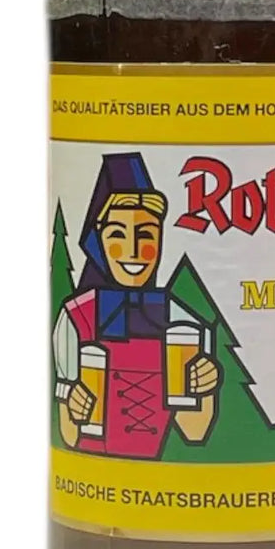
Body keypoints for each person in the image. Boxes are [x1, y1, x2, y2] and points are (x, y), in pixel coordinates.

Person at [53, 152, 220, 457]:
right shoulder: (75, 318)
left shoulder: (183, 324)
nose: (133, 250)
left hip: (159, 471)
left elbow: (194, 430)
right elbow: (67, 434)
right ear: (98, 240)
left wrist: (204, 390)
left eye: (146, 235)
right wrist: (73, 405)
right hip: (95, 471)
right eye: (118, 234)